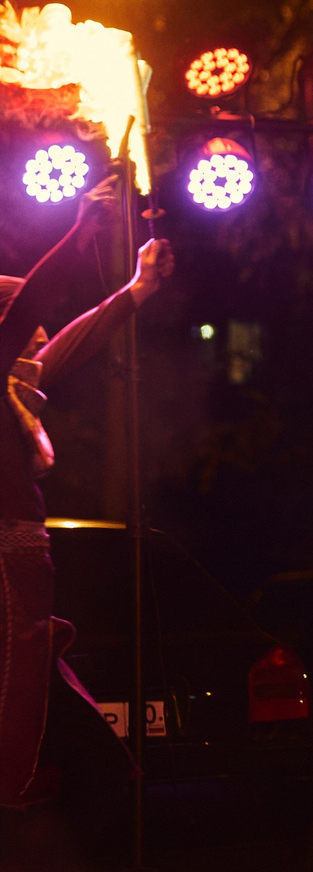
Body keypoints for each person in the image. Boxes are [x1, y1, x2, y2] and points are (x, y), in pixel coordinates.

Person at [0, 178, 170, 811]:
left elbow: (73, 339)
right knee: (19, 720)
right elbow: (26, 313)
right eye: (29, 344)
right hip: (3, 585)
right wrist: (79, 235)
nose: (42, 351)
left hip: (25, 582)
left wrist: (137, 289)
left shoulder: (15, 394)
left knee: (68, 730)